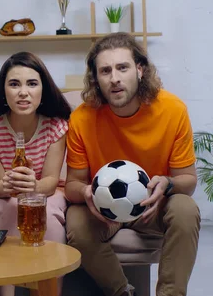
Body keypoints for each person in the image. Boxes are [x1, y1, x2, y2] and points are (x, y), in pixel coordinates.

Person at [64, 32, 200, 296]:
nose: (114, 78)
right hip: (102, 212)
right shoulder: (82, 117)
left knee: (185, 209)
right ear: (96, 78)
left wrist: (168, 183)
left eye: (122, 67)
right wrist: (85, 193)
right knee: (76, 222)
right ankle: (122, 292)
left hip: (153, 207)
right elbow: (72, 184)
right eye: (105, 70)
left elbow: (189, 181)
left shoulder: (173, 110)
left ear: (140, 70)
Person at [0, 52, 71, 296]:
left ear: (43, 90)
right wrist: (13, 184)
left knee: (49, 214)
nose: (23, 92)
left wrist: (32, 186)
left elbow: (50, 182)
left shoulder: (56, 124)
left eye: (32, 84)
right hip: (2, 192)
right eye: (14, 84)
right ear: (3, 91)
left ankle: (49, 291)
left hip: (46, 191)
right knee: (7, 208)